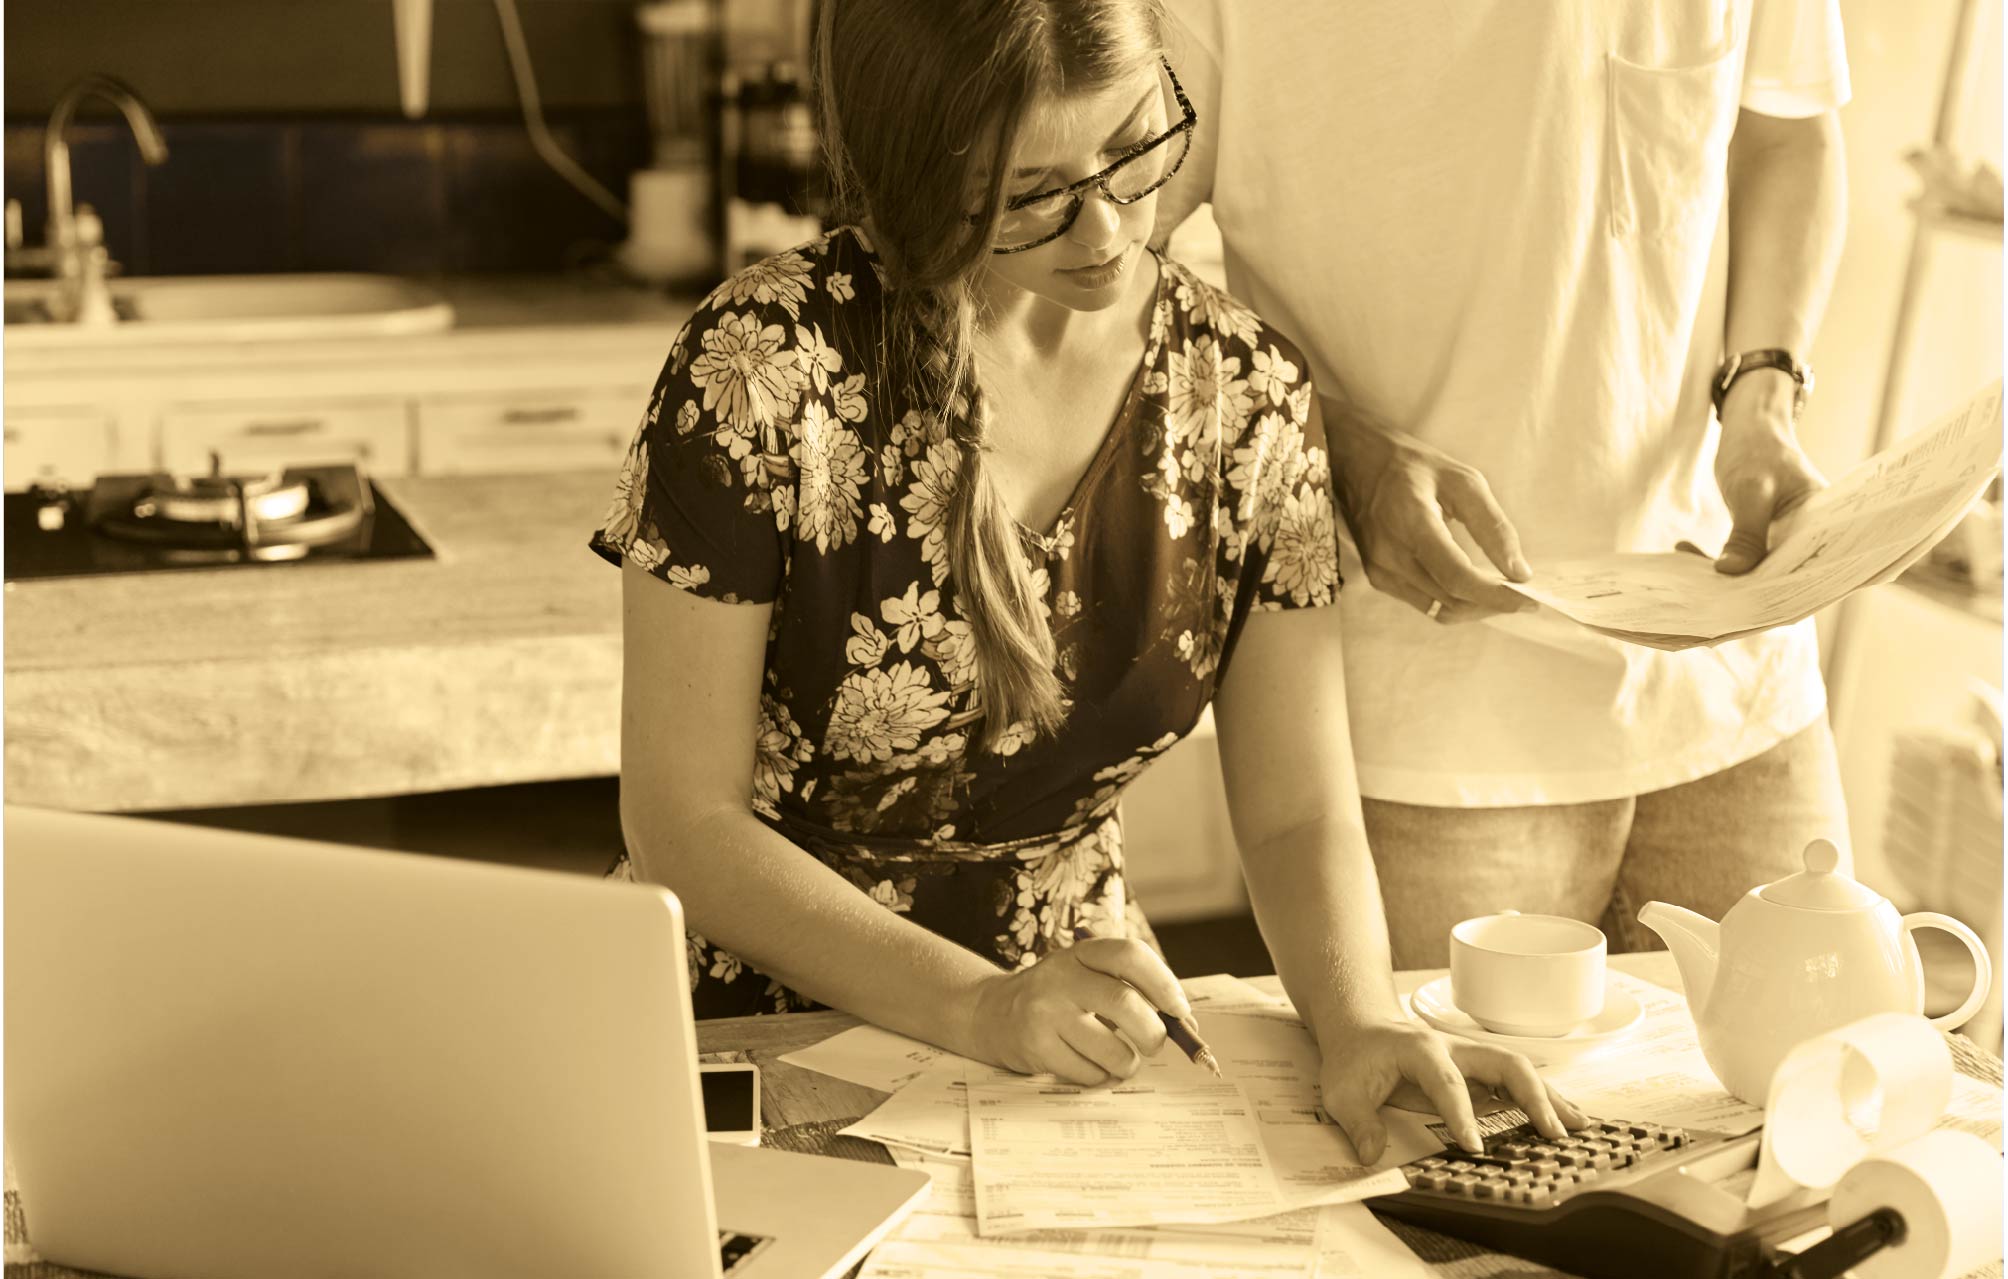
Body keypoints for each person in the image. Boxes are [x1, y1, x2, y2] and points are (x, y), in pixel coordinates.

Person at [592, 0, 1581, 1161]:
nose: (1106, 226)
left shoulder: (1248, 391)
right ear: (922, 174)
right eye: (1032, 193)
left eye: (1132, 147)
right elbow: (683, 823)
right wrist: (981, 1006)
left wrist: (1360, 1017)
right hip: (752, 1031)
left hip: (1081, 1034)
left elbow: (1296, 810)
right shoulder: (759, 367)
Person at [1152, 1, 1855, 968]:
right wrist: (1335, 450)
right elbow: (1102, 253)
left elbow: (1788, 133)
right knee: (1445, 1079)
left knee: (1819, 1060)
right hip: (1419, 719)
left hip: (1735, 675)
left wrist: (1763, 391)